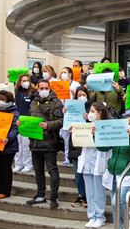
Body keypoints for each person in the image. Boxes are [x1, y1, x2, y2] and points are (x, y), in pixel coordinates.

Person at [23, 80, 64, 210]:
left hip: (50, 141)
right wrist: (22, 124)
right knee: (38, 170)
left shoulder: (56, 102)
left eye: (46, 87)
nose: (44, 90)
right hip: (35, 141)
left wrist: (49, 125)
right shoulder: (33, 102)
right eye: (42, 88)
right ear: (38, 88)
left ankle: (54, 197)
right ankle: (40, 194)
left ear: (49, 88)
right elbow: (29, 118)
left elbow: (61, 121)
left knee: (52, 170)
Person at [79, 103, 112, 229]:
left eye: (93, 111)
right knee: (90, 192)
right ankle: (91, 216)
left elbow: (106, 144)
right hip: (87, 161)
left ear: (100, 113)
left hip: (99, 162)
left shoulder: (106, 126)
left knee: (98, 192)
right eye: (90, 111)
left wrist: (96, 133)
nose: (90, 113)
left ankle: (100, 216)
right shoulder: (87, 125)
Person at [69, 87, 90, 208]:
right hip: (75, 144)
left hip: (86, 143)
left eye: (83, 94)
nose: (81, 97)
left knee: (86, 173)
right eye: (79, 95)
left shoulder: (92, 108)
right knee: (78, 174)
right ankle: (81, 195)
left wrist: (89, 117)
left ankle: (88, 196)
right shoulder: (72, 108)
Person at [59, 67, 81, 167]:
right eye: (62, 72)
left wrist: (73, 95)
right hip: (64, 114)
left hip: (74, 114)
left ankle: (75, 157)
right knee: (65, 136)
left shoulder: (76, 85)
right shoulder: (59, 85)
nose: (63, 74)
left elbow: (80, 99)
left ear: (70, 74)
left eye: (65, 72)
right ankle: (67, 157)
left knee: (74, 136)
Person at [14, 74, 34, 173]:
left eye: (27, 80)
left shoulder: (32, 93)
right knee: (18, 144)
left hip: (28, 121)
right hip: (18, 121)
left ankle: (28, 164)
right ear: (20, 82)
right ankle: (18, 164)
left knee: (26, 145)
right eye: (23, 80)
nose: (25, 82)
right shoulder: (17, 92)